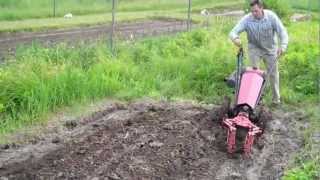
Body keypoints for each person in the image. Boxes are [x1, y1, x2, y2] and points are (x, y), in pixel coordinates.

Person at [229, 0, 288, 105]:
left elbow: (282, 32)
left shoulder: (271, 17)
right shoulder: (247, 19)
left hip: (270, 49)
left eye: (256, 11)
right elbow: (233, 32)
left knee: (273, 74)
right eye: (252, 11)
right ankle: (255, 100)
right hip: (254, 49)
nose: (254, 14)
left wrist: (282, 47)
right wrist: (236, 39)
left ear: (262, 8)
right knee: (254, 74)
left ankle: (276, 100)